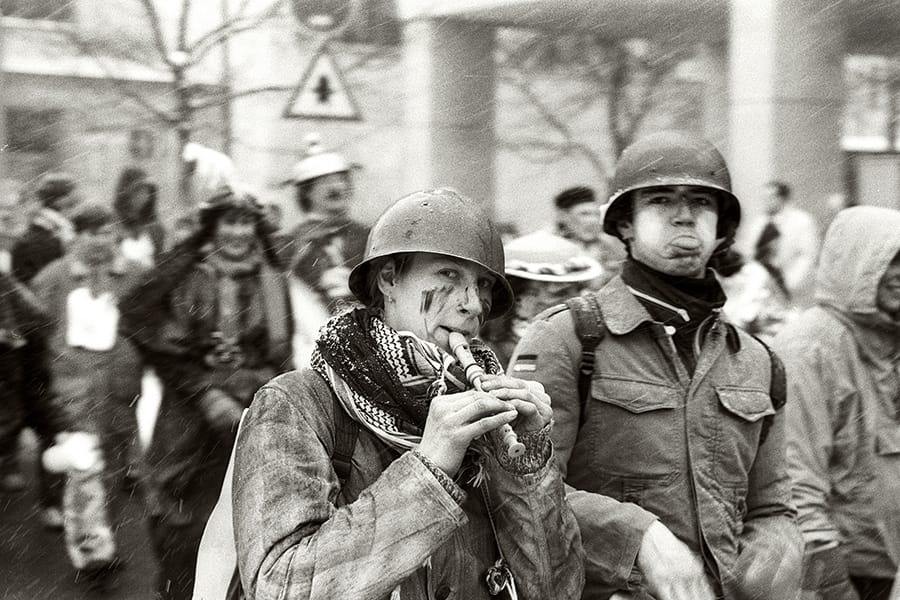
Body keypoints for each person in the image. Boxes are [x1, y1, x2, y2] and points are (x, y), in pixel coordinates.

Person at [231, 188, 584, 599]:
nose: (473, 304)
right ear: (388, 279)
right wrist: (429, 468)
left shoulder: (490, 415)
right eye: (449, 275)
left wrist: (526, 468)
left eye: (483, 284)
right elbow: (282, 588)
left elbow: (556, 592)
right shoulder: (297, 404)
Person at [509, 130, 803, 600]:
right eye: (661, 200)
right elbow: (520, 490)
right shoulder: (567, 338)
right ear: (625, 224)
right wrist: (639, 537)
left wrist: (775, 553)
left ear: (722, 229)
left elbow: (771, 505)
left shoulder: (757, 362)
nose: (684, 215)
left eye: (702, 203)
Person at [119, 185, 294, 600]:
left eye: (246, 221)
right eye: (229, 221)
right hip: (190, 416)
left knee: (250, 519)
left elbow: (281, 353)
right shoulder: (189, 278)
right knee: (181, 520)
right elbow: (164, 346)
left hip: (252, 412)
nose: (238, 231)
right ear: (213, 227)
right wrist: (206, 394)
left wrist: (265, 396)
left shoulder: (273, 280)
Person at [772, 206, 900, 600]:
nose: (899, 272)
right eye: (889, 259)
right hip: (849, 571)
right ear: (855, 263)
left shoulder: (891, 337)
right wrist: (831, 584)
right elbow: (794, 479)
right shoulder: (810, 348)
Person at [30, 203, 145, 576]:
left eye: (107, 231)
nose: (100, 240)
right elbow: (37, 330)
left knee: (111, 468)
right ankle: (92, 552)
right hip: (74, 392)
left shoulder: (136, 275)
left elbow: (152, 324)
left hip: (122, 390)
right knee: (84, 469)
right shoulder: (55, 277)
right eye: (90, 232)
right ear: (75, 235)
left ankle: (100, 533)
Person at [10, 171, 83, 528]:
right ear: (59, 202)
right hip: (44, 344)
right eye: (72, 198)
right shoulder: (40, 241)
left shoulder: (59, 236)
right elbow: (29, 302)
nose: (76, 204)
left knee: (56, 418)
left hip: (58, 340)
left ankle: (63, 499)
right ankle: (52, 501)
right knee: (51, 420)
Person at [279, 133, 370, 367]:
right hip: (310, 353)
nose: (336, 186)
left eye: (341, 179)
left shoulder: (370, 237)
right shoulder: (289, 247)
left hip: (368, 347)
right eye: (325, 181)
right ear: (306, 191)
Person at [481, 229, 604, 367]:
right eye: (560, 293)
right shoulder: (487, 351)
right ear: (520, 300)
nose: (575, 300)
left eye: (578, 290)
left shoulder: (591, 338)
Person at [737, 180, 820, 304]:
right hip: (761, 285)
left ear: (782, 198)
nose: (766, 202)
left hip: (790, 284)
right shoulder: (759, 223)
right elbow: (749, 252)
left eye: (770, 197)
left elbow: (807, 256)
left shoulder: (802, 221)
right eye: (764, 198)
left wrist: (790, 283)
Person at [554, 186, 626, 285]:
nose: (593, 221)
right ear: (563, 216)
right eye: (584, 214)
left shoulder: (608, 245)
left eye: (596, 214)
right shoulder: (553, 249)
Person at [113, 166, 166, 267]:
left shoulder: (156, 228)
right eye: (138, 191)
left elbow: (159, 262)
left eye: (147, 192)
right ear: (126, 193)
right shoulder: (113, 223)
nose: (144, 196)